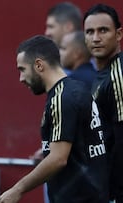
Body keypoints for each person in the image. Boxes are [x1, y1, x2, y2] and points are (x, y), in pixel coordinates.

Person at [0, 35, 109, 203]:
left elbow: (58, 159)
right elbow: (80, 145)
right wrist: (47, 151)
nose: (21, 79)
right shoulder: (77, 89)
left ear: (39, 65)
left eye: (22, 69)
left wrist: (17, 189)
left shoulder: (62, 98)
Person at [83, 4, 123, 202]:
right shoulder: (102, 76)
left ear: (118, 34)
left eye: (103, 30)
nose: (96, 38)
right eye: (90, 32)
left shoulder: (119, 74)